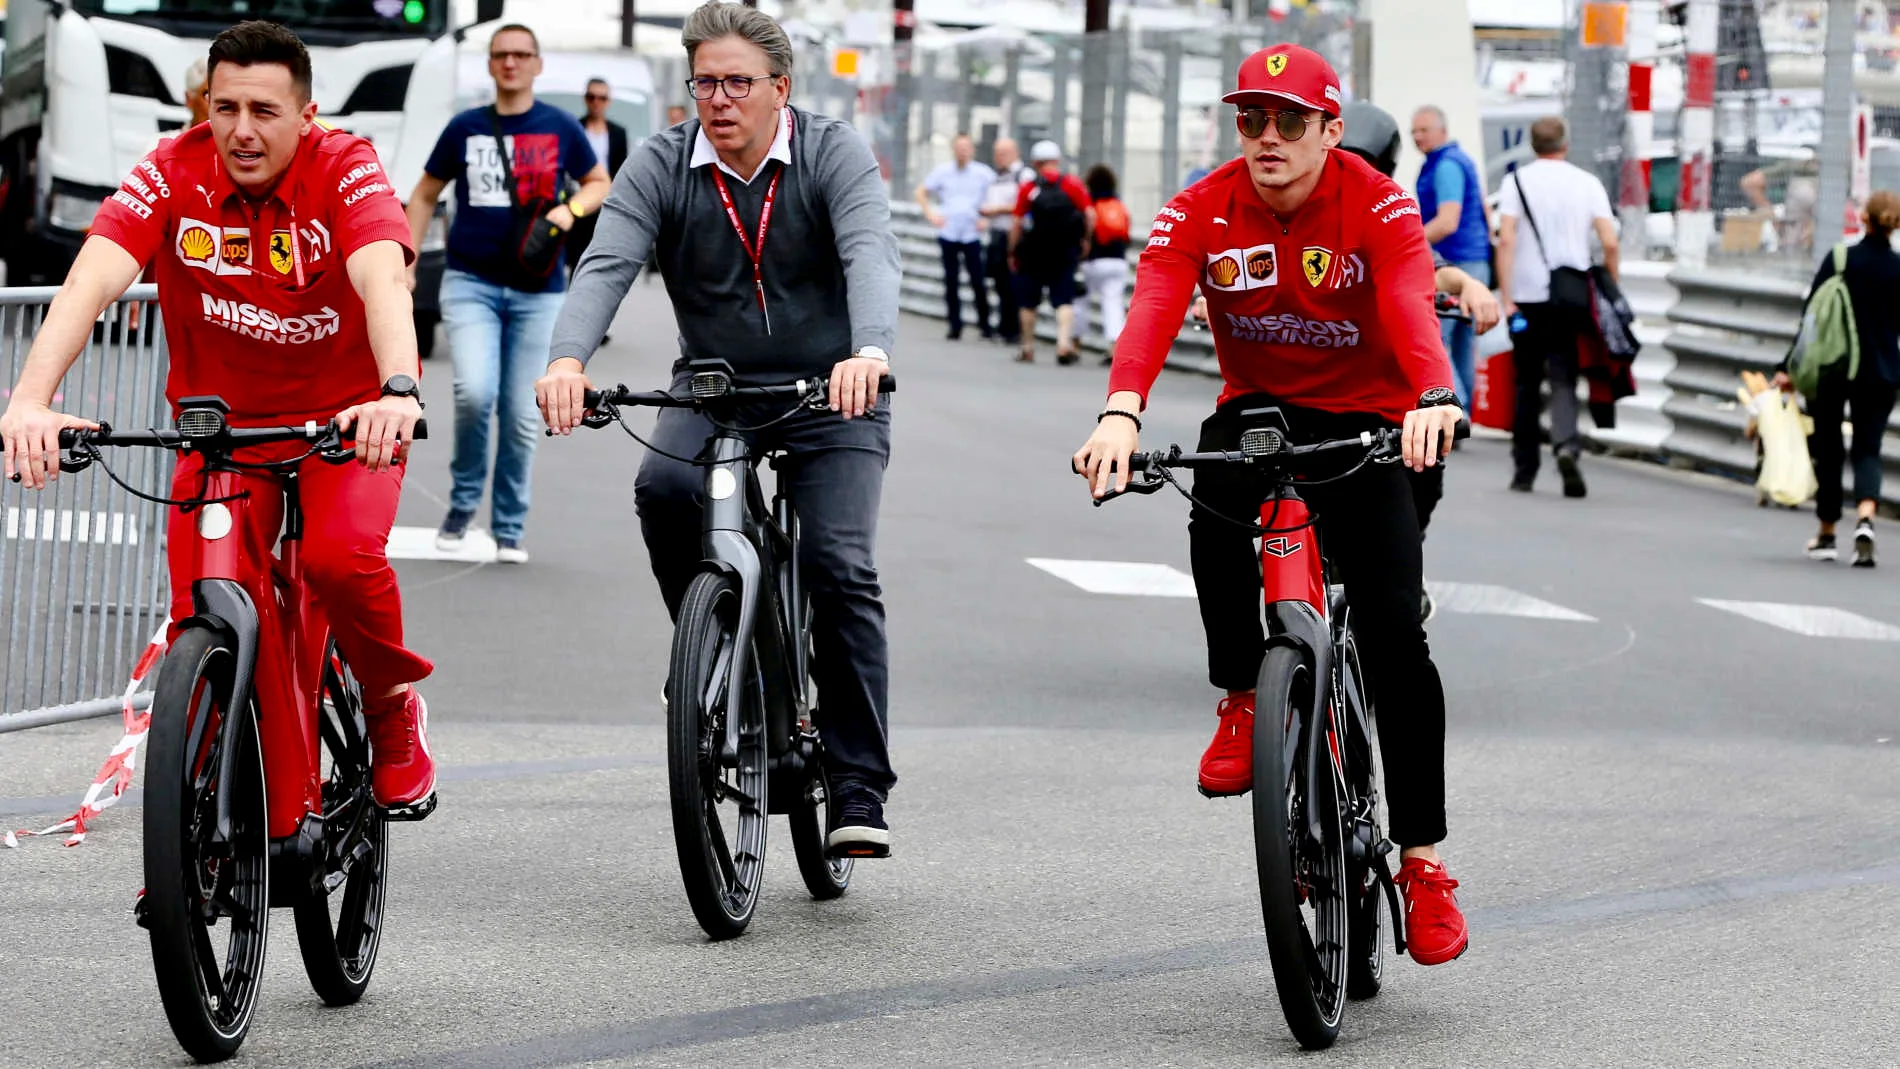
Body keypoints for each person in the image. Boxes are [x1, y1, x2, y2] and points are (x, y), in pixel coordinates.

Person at [1072, 44, 1469, 966]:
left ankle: (1423, 864)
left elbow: (1412, 301)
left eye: (1292, 121)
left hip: (1368, 422)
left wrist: (1434, 397)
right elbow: (1155, 305)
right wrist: (1120, 414)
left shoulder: (1376, 201)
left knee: (1392, 636)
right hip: (1262, 414)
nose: (1269, 138)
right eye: (1253, 118)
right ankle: (1246, 693)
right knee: (1212, 475)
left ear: (1332, 130)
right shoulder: (1201, 205)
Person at [1, 21, 438, 814]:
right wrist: (27, 398)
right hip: (223, 432)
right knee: (201, 610)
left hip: (347, 426)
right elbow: (91, 281)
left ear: (308, 116)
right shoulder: (174, 166)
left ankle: (387, 704)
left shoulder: (346, 166)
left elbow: (384, 280)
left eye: (265, 111)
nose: (242, 129)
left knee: (340, 562)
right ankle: (189, 830)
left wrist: (399, 390)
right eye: (226, 106)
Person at [536, 1, 902, 858]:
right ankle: (709, 652)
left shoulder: (831, 152)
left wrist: (871, 351)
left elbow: (869, 251)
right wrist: (565, 360)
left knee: (838, 562)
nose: (720, 99)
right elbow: (607, 262)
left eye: (739, 82)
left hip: (834, 389)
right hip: (715, 387)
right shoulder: (661, 163)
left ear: (782, 88)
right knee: (662, 488)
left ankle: (856, 780)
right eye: (706, 82)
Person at [403, 24, 611, 564]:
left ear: (537, 64)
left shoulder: (561, 127)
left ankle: (510, 524)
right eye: (501, 55)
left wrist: (571, 211)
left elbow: (599, 182)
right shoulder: (464, 128)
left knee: (521, 410)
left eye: (521, 55)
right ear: (491, 65)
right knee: (474, 393)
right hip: (470, 282)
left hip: (539, 290)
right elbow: (424, 193)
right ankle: (462, 503)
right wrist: (405, 263)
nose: (511, 63)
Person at [1495, 116, 1618, 499]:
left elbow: (1507, 239)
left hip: (1528, 296)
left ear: (1533, 146)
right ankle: (1566, 446)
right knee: (1565, 376)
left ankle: (1524, 470)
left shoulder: (1516, 182)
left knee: (1526, 381)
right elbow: (1609, 241)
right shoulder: (1587, 183)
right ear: (1565, 143)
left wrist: (1507, 295)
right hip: (1571, 296)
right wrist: (1611, 285)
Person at [1778, 191, 1900, 567]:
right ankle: (1865, 518)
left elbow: (1811, 318)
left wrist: (1788, 366)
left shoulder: (1841, 259)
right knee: (1867, 448)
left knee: (1829, 448)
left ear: (1863, 218)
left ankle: (1828, 532)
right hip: (1881, 372)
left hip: (1833, 369)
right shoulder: (1898, 268)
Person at [1412, 105, 1492, 409]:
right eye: (1414, 132)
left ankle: (1454, 413)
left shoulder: (1445, 165)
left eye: (1424, 130)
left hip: (1455, 264)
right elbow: (1485, 210)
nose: (1418, 137)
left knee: (1437, 341)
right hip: (1475, 261)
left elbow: (1447, 221)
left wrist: (1406, 242)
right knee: (1462, 345)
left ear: (1442, 131)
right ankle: (1465, 413)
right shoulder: (1461, 160)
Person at [1009, 140, 1092, 365]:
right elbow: (1089, 214)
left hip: (1032, 252)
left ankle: (1027, 347)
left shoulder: (1029, 188)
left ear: (1035, 162)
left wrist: (1012, 250)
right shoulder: (1072, 185)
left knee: (1028, 302)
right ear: (1057, 160)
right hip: (1064, 252)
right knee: (1064, 299)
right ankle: (1063, 344)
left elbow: (1017, 222)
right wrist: (1085, 240)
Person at [915, 132, 996, 340]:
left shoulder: (983, 173)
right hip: (949, 231)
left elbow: (995, 196)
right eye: (959, 148)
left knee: (978, 280)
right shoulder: (943, 172)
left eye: (966, 147)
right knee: (951, 280)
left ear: (972, 149)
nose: (962, 151)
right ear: (953, 150)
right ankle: (955, 324)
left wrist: (987, 218)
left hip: (971, 232)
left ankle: (985, 324)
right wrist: (931, 214)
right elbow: (921, 191)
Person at [567, 77, 630, 273]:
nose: (596, 102)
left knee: (603, 256)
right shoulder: (575, 128)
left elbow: (621, 169)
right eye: (591, 97)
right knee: (577, 257)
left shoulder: (618, 133)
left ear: (608, 101)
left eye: (601, 98)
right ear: (585, 99)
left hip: (607, 202)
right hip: (579, 199)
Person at [980, 138, 1036, 349]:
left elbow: (1025, 205)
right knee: (999, 282)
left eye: (1003, 153)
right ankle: (1004, 325)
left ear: (1015, 152)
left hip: (1015, 236)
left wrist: (998, 210)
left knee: (1013, 283)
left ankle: (1013, 329)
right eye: (997, 153)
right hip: (996, 234)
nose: (999, 157)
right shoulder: (996, 176)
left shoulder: (1024, 175)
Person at [1077, 163, 1131, 362]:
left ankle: (1074, 343)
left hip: (1093, 260)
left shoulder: (1088, 202)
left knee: (1080, 301)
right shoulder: (1118, 203)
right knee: (1113, 303)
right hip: (1117, 260)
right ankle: (1114, 347)